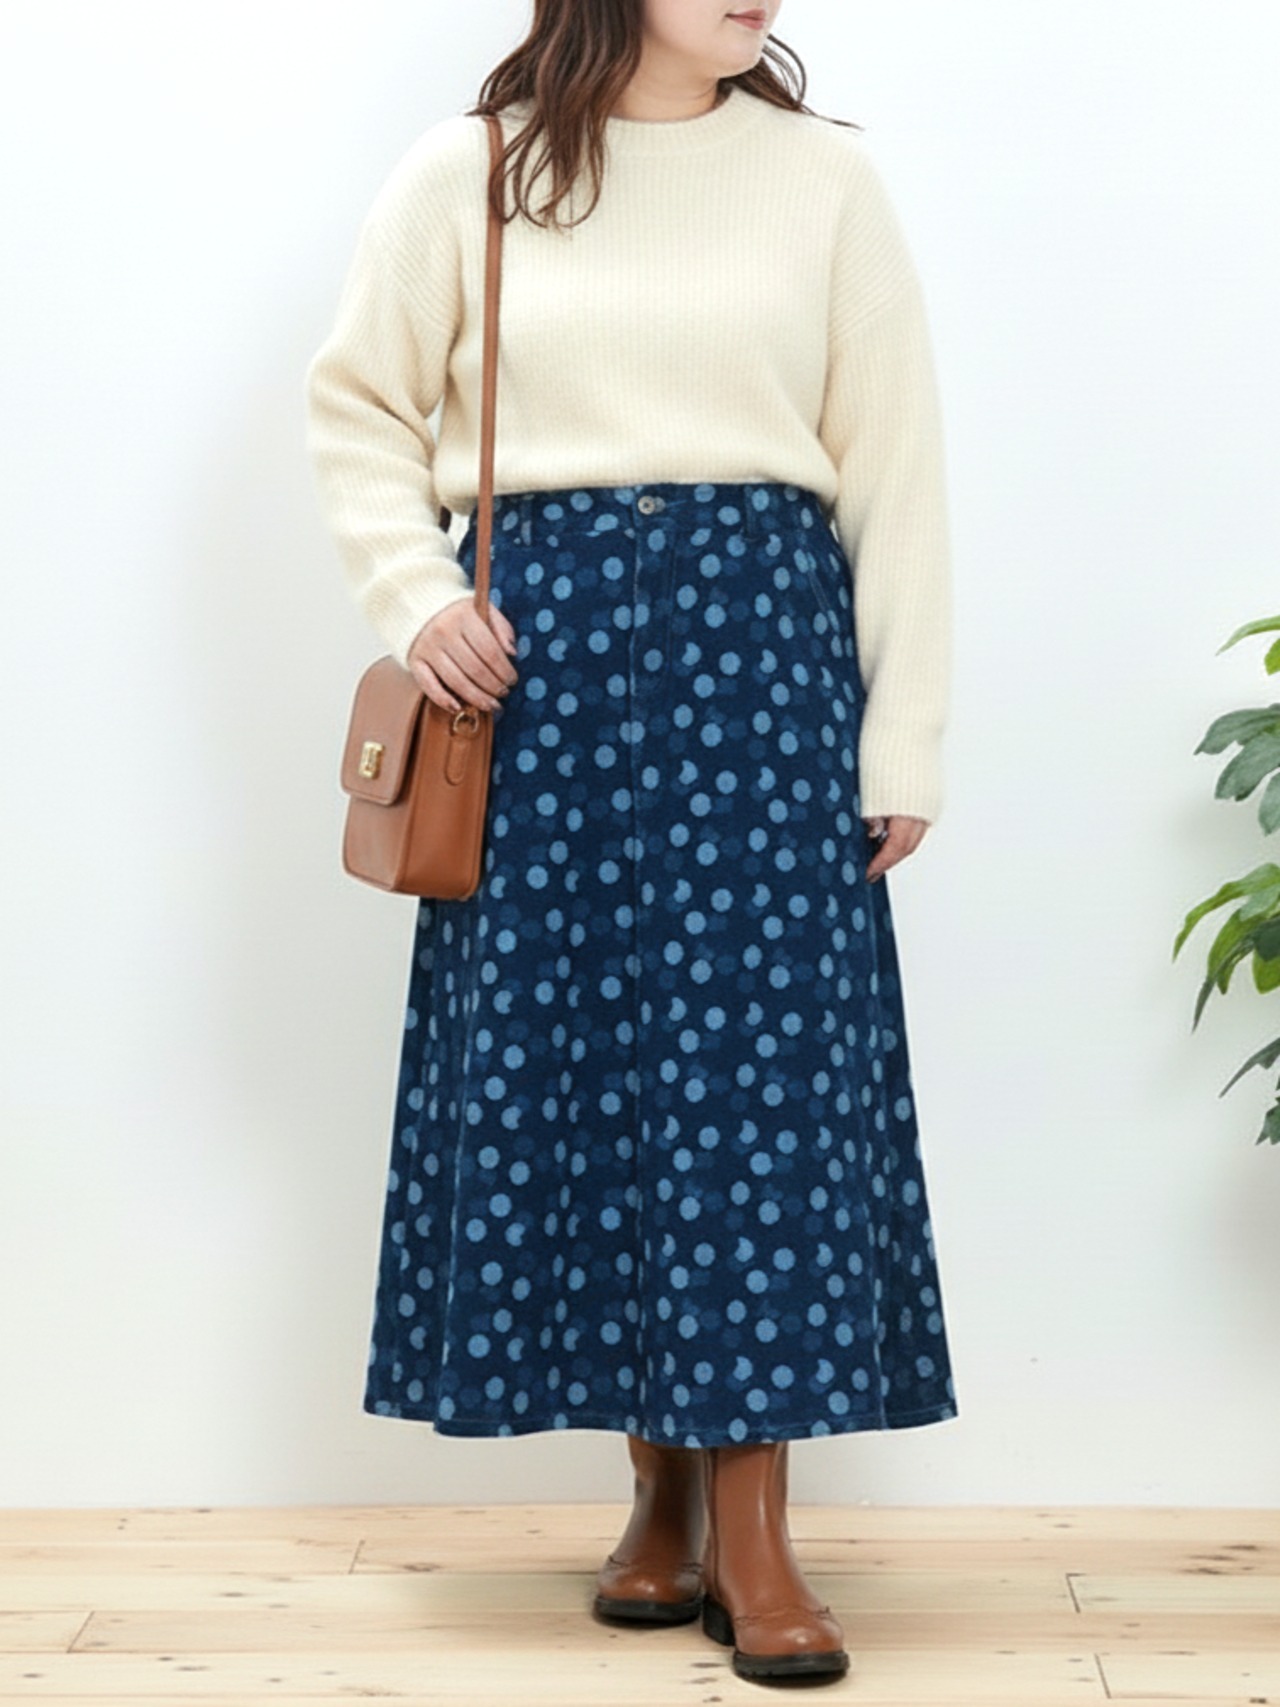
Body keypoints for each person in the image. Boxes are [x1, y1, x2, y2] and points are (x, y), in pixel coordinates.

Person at [306, 0, 958, 1685]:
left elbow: (895, 469)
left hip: (765, 662)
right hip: (545, 674)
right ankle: (659, 1500)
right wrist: (419, 598)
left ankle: (754, 1526)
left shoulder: (824, 184)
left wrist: (904, 733)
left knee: (762, 1091)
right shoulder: (473, 172)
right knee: (588, 1074)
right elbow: (360, 408)